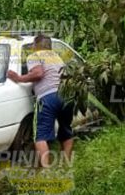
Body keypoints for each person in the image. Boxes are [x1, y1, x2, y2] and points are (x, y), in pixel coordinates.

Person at [6, 34, 74, 167]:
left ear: (36, 45)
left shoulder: (35, 56)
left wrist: (19, 78)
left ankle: (46, 170)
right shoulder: (56, 57)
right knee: (66, 130)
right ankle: (66, 165)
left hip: (48, 97)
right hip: (66, 96)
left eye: (32, 45)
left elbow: (38, 73)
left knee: (40, 135)